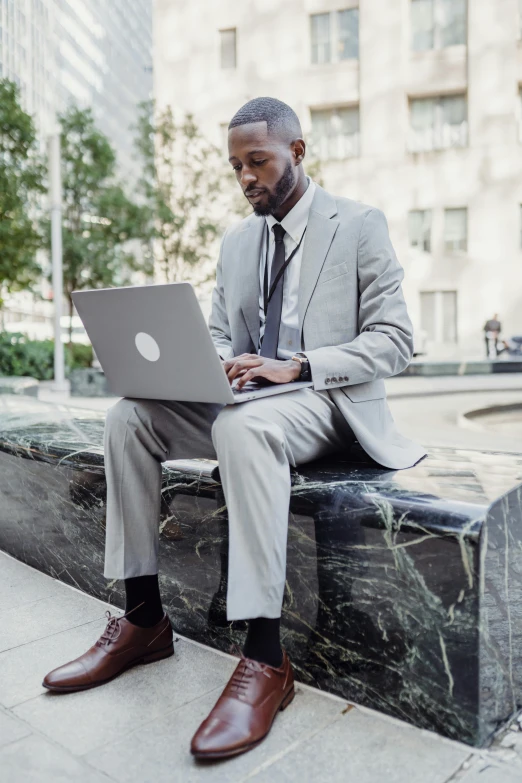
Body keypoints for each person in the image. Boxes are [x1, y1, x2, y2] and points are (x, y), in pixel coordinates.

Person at [42, 97, 427, 760]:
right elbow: (223, 329)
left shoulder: (360, 225)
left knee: (246, 430)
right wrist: (216, 362)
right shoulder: (238, 240)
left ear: (297, 153)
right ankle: (142, 618)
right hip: (250, 402)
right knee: (130, 416)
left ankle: (265, 656)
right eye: (237, 166)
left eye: (259, 162)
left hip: (326, 400)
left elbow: (396, 341)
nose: (247, 177)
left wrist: (298, 365)